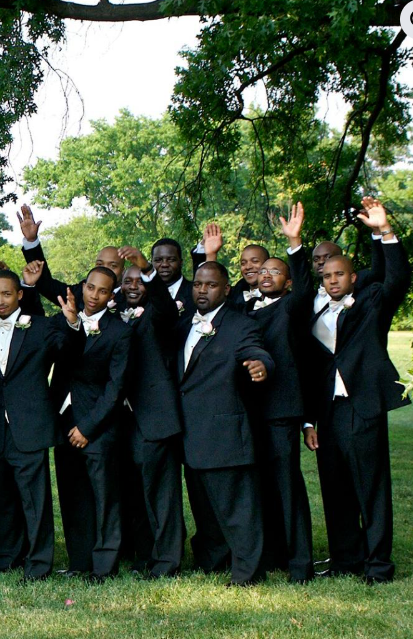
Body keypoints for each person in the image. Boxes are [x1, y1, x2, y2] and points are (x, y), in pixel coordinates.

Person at [304, 197, 409, 585]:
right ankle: (346, 559)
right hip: (328, 412)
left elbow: (397, 279)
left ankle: (378, 565)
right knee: (335, 488)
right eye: (327, 276)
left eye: (340, 274)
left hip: (363, 406)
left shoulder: (372, 303)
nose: (332, 280)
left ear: (353, 278)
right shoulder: (315, 313)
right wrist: (309, 421)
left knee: (371, 487)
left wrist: (385, 232)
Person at [0, 271, 82, 580]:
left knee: (34, 500)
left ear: (20, 294)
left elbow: (68, 351)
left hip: (30, 425)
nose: (0, 300)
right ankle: (6, 558)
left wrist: (72, 323)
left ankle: (38, 563)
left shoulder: (41, 327)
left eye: (6, 294)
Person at [28, 261, 132, 581]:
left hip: (98, 423)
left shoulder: (120, 331)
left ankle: (104, 566)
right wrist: (72, 325)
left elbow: (116, 388)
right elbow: (56, 353)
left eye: (102, 291)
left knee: (104, 497)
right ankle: (80, 561)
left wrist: (88, 428)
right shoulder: (63, 320)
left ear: (111, 295)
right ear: (82, 287)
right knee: (72, 495)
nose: (94, 295)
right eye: (90, 287)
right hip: (63, 417)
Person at [176, 261, 273, 586]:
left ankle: (248, 573)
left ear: (226, 289)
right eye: (197, 284)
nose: (202, 290)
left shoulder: (239, 325)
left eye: (211, 285)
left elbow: (257, 351)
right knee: (205, 507)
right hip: (191, 433)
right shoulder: (184, 323)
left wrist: (261, 365)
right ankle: (213, 561)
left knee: (237, 509)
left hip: (224, 432)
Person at [235, 204, 317, 584]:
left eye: (276, 271)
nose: (266, 274)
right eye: (263, 270)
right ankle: (271, 556)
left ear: (288, 282)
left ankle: (300, 565)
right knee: (260, 487)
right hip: (249, 410)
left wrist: (294, 243)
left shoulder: (292, 308)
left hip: (281, 411)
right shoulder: (245, 309)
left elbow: (306, 286)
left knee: (287, 486)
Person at [113, 246, 186, 579]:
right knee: (135, 492)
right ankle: (144, 556)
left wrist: (147, 270)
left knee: (162, 494)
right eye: (127, 281)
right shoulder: (116, 315)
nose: (133, 286)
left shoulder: (157, 314)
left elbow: (167, 307)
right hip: (122, 420)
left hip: (155, 417)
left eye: (139, 281)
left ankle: (168, 560)